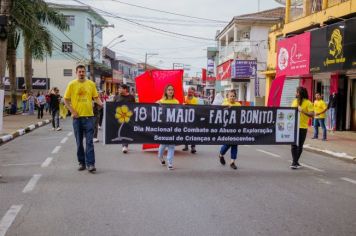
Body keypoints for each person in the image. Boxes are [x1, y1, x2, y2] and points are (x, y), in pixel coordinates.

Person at [64, 65, 103, 173]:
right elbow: (66, 100)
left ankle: (91, 164)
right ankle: (82, 162)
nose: (81, 73)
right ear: (76, 72)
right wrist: (72, 111)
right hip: (77, 119)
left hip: (89, 117)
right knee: (79, 142)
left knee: (89, 142)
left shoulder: (91, 84)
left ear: (85, 73)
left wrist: (103, 105)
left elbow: (96, 98)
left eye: (83, 71)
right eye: (79, 71)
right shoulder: (71, 84)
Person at [290, 87, 314, 169]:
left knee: (300, 145)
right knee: (293, 145)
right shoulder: (294, 101)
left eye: (297, 92)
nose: (296, 94)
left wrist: (302, 111)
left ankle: (295, 162)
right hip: (293, 126)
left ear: (301, 93)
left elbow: (312, 115)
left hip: (302, 127)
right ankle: (294, 162)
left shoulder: (308, 103)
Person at [157, 84, 179, 170]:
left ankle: (170, 162)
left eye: (172, 90)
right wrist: (156, 104)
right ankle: (160, 157)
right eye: (169, 89)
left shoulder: (176, 102)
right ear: (166, 91)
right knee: (163, 144)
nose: (171, 91)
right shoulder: (161, 101)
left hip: (173, 126)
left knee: (171, 145)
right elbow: (152, 108)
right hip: (163, 126)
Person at [218, 90, 241, 170]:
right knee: (227, 144)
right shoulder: (224, 104)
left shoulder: (238, 105)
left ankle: (232, 162)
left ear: (235, 97)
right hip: (227, 128)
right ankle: (221, 154)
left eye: (233, 96)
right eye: (230, 96)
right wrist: (227, 108)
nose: (232, 97)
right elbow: (220, 113)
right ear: (227, 97)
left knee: (235, 144)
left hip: (236, 128)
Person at [113, 84, 136, 153]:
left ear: (125, 89)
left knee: (126, 130)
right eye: (119, 88)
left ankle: (125, 145)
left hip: (128, 117)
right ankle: (124, 144)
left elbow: (134, 106)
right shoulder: (116, 97)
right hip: (118, 117)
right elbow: (111, 106)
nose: (119, 90)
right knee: (120, 130)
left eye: (120, 88)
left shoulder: (131, 97)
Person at [183, 86, 198, 153]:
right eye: (189, 91)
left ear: (193, 93)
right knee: (185, 132)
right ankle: (186, 146)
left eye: (191, 92)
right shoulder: (184, 98)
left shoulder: (195, 100)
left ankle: (193, 147)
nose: (190, 93)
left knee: (193, 133)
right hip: (185, 118)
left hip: (193, 118)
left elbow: (196, 108)